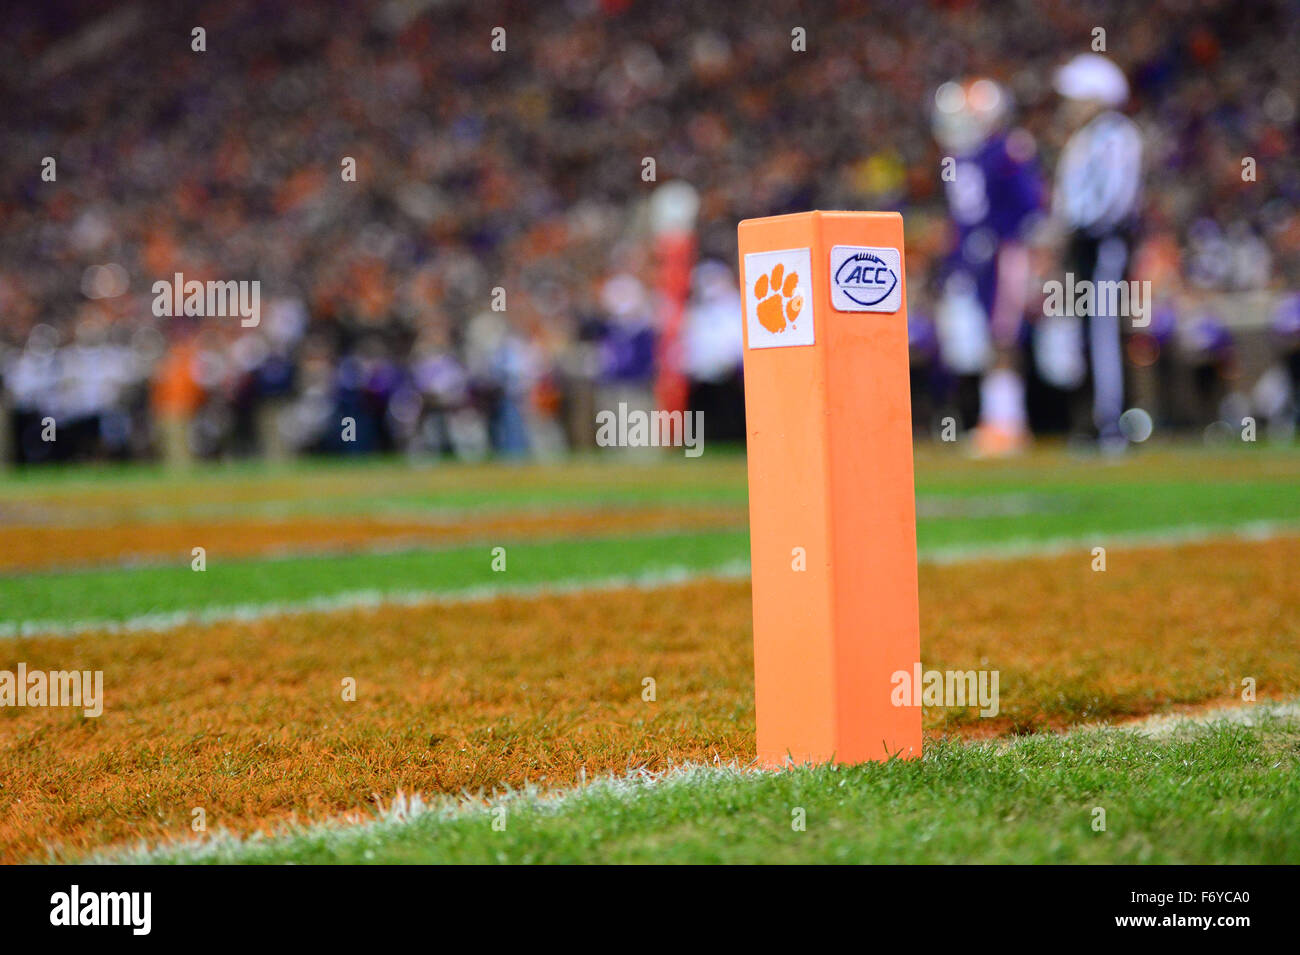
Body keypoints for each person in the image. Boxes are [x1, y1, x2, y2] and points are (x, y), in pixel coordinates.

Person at [931, 77, 1044, 455]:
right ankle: (993, 419)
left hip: (1003, 254)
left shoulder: (1007, 151)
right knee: (975, 341)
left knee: (1002, 335)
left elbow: (1031, 210)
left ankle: (1007, 422)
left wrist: (1005, 242)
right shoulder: (959, 158)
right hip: (971, 258)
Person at [1051, 53, 1144, 451]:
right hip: (1085, 242)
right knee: (1087, 332)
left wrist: (1079, 226)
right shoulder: (1086, 138)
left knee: (1102, 330)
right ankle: (1095, 418)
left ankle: (1110, 422)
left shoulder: (1114, 134)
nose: (1069, 105)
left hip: (1103, 242)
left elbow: (1111, 199)